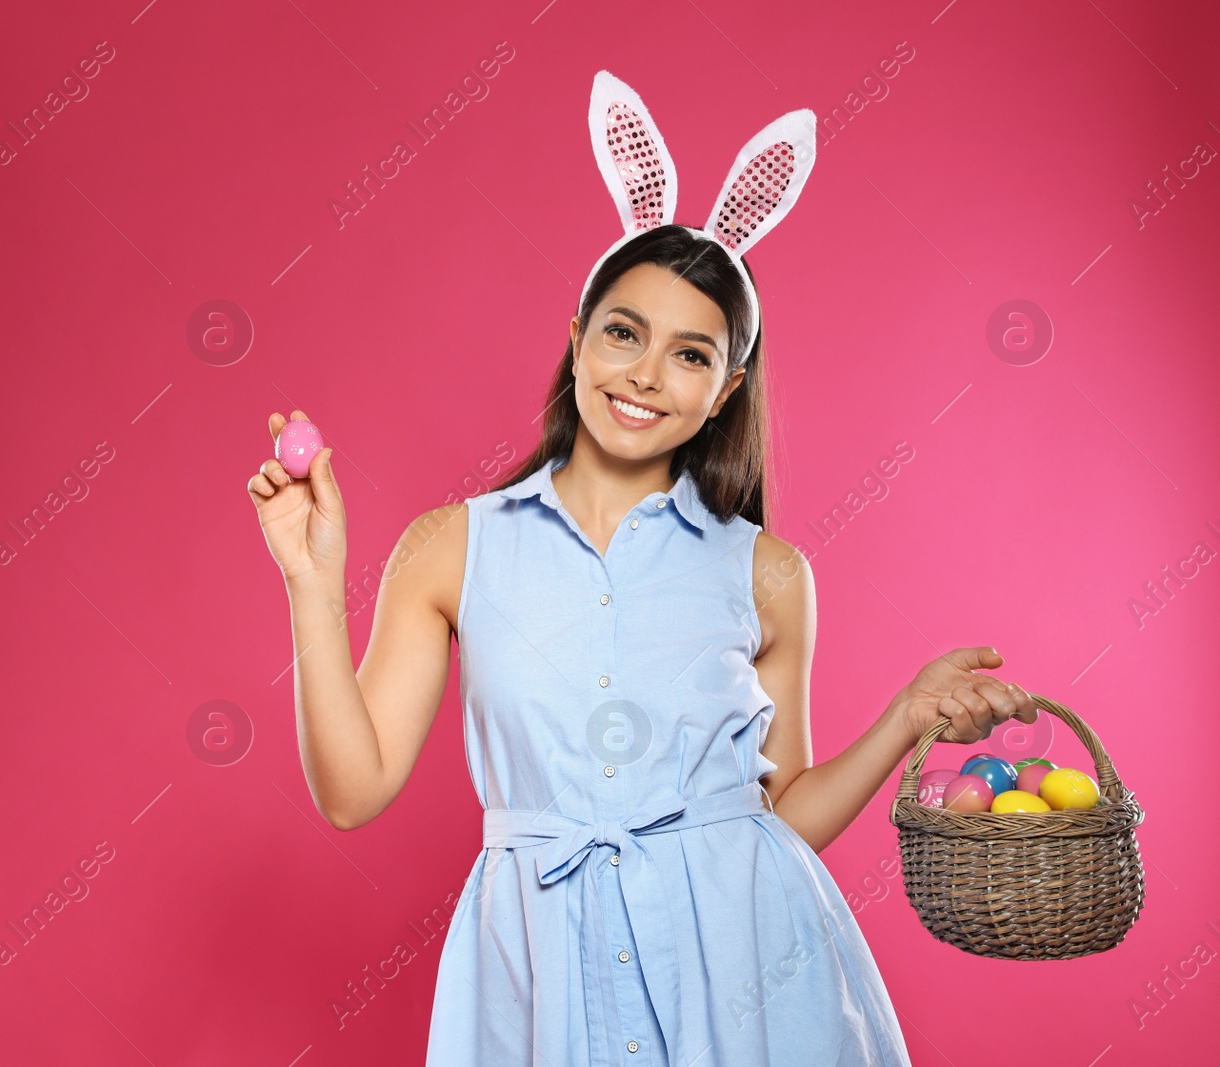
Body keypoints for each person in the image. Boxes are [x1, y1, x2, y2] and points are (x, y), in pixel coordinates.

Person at [247, 74, 1039, 1067]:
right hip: (539, 976)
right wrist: (312, 585)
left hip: (749, 979)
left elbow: (780, 811)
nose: (644, 374)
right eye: (623, 332)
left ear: (724, 389)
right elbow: (352, 789)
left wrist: (908, 716)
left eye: (690, 354)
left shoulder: (769, 573)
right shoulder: (452, 545)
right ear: (577, 336)